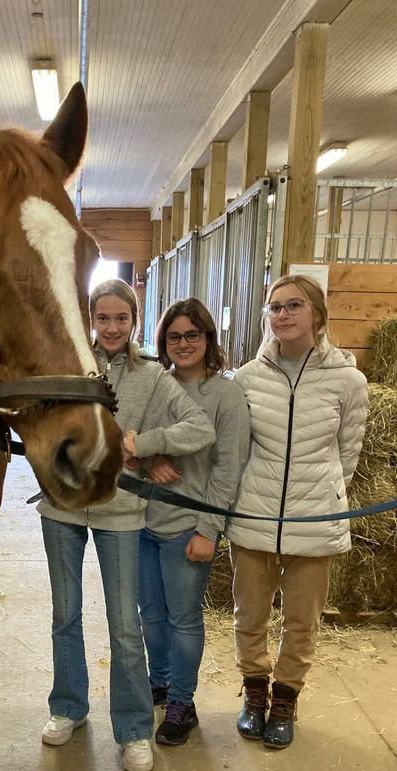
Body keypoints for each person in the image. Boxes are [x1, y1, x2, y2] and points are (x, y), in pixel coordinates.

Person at [37, 279, 216, 771]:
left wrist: (145, 444)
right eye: (102, 318)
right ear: (90, 320)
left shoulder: (155, 376)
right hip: (63, 507)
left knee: (124, 624)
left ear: (135, 321)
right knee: (65, 614)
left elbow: (200, 427)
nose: (111, 328)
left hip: (120, 512)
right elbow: (36, 420)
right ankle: (67, 707)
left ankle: (134, 729)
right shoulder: (67, 362)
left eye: (121, 318)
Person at [227, 273, 368, 750]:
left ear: (317, 314)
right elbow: (238, 449)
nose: (282, 315)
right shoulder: (246, 378)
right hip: (254, 516)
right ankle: (254, 695)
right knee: (250, 615)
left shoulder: (348, 381)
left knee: (302, 620)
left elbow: (348, 452)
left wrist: (324, 497)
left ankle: (285, 700)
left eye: (293, 306)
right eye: (275, 307)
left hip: (314, 519)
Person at [138, 299, 250, 746]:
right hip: (144, 521)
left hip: (189, 524)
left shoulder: (226, 395)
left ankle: (183, 702)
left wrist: (209, 529)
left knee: (184, 619)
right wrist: (149, 463)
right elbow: (129, 444)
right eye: (174, 336)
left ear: (208, 339)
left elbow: (229, 466)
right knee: (151, 616)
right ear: (163, 342)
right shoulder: (154, 386)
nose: (183, 344)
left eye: (192, 335)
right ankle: (159, 682)